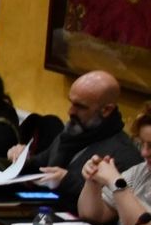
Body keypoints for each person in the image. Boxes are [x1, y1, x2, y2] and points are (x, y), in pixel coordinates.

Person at [15, 70, 140, 215]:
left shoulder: (123, 154)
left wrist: (67, 180)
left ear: (106, 110)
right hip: (45, 211)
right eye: (71, 103)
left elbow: (110, 205)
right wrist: (22, 158)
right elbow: (41, 165)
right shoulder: (73, 132)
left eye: (80, 106)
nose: (70, 111)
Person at [78, 103, 151, 225]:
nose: (144, 152)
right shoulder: (141, 171)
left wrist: (116, 182)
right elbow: (93, 215)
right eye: (142, 144)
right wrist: (93, 180)